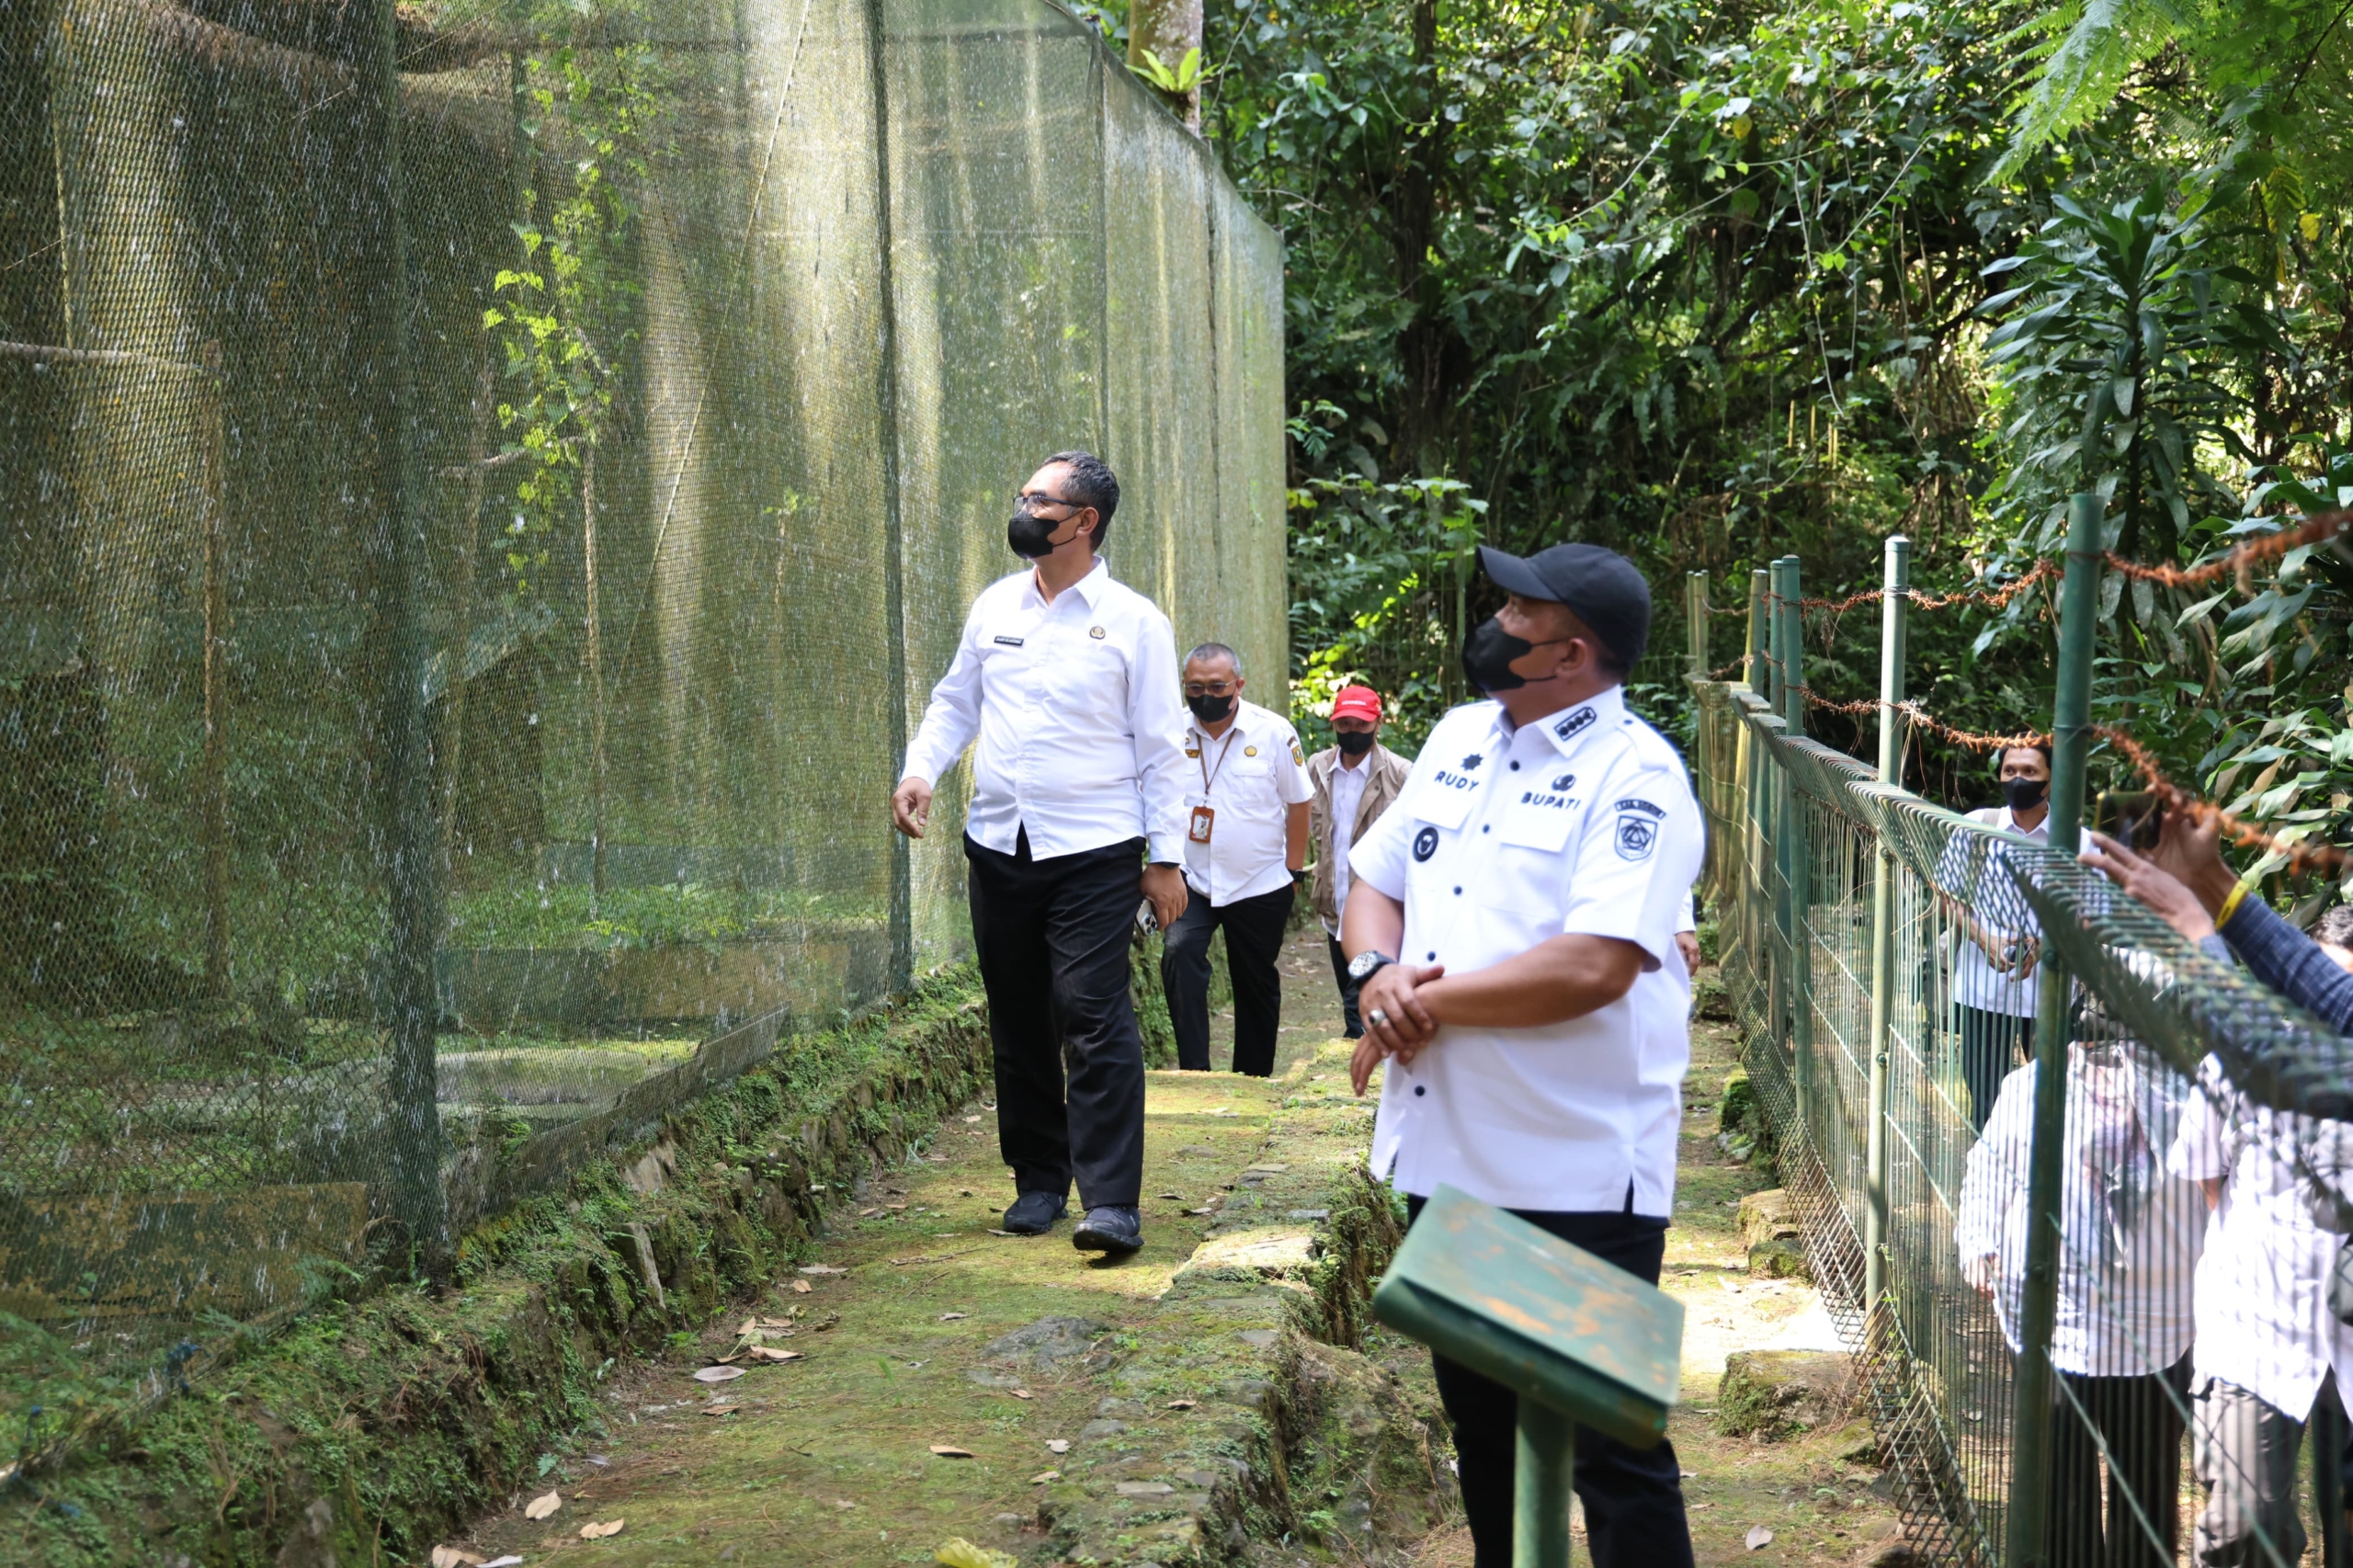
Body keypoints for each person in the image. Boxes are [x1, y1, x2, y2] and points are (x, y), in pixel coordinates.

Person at [1341, 541, 1704, 1568]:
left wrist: (1424, 1001)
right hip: (1448, 1152)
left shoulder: (1636, 776)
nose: (1494, 624)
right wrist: (1378, 972)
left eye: (1517, 613)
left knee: (1612, 1449)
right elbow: (1376, 881)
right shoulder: (1460, 736)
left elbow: (1593, 964)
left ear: (1569, 652)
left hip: (1575, 1166)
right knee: (1485, 1437)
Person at [892, 450, 1188, 1257]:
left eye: (1038, 499)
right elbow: (957, 701)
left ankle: (1113, 1202)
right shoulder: (995, 607)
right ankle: (1038, 1180)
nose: (1022, 509)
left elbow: (1163, 748)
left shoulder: (1135, 622)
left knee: (1091, 1014)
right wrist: (922, 770)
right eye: (1021, 495)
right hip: (999, 845)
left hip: (1096, 850)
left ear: (1084, 521)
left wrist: (1165, 860)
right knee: (1019, 1016)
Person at [2081, 817, 2353, 1563]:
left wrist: (2197, 925)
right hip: (2259, 1329)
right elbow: (2323, 1009)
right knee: (2244, 1528)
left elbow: (2285, 1059)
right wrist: (2213, 887)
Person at [1955, 992, 2204, 1568]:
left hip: (2158, 1329)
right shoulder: (2031, 1087)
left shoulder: (2185, 1094)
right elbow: (1988, 1167)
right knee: (2061, 1489)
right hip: (2052, 1324)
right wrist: (1979, 1241)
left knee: (2146, 1493)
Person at [1160, 642, 1312, 1076]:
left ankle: (1253, 1077)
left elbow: (1299, 802)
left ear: (1239, 685)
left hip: (1259, 882)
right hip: (1192, 879)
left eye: (1216, 686)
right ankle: (1194, 1071)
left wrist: (1292, 870)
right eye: (1194, 686)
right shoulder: (1170, 732)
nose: (1205, 694)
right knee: (1179, 953)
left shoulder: (1273, 732)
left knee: (1255, 981)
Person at [1940, 743, 2052, 1132]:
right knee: (1985, 1099)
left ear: (2051, 780)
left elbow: (2085, 915)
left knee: (2051, 1101)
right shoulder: (1977, 827)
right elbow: (1947, 896)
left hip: (2048, 995)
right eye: (2009, 771)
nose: (2018, 779)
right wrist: (1982, 937)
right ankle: (1988, 1182)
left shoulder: (2074, 840)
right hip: (1981, 992)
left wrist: (2044, 944)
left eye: (2030, 772)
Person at [1306, 685, 1410, 1039]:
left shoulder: (1401, 775)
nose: (1352, 732)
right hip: (1333, 905)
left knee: (1360, 998)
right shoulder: (1317, 769)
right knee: (1350, 991)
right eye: (1344, 724)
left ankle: (1364, 1058)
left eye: (1361, 725)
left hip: (1377, 907)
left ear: (1378, 724)